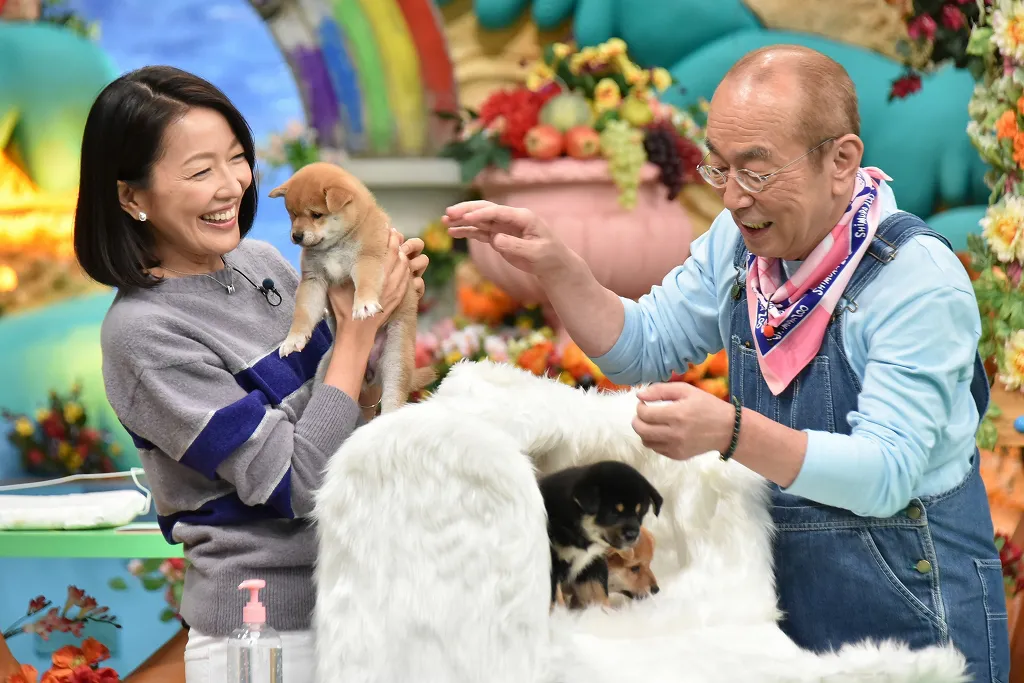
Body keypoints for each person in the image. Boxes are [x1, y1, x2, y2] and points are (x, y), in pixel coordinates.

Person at [444, 45, 1009, 681]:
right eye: (719, 170)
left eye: (758, 172)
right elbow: (644, 346)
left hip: (916, 627)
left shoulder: (916, 281)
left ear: (841, 161)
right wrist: (559, 268)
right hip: (778, 626)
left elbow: (887, 473)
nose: (735, 198)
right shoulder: (740, 247)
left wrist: (731, 432)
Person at [73, 65, 428, 682]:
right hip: (267, 636)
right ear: (131, 197)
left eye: (237, 158)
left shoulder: (262, 262)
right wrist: (352, 338)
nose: (232, 185)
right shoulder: (142, 334)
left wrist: (389, 311)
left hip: (364, 604)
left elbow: (351, 412)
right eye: (198, 170)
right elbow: (296, 481)